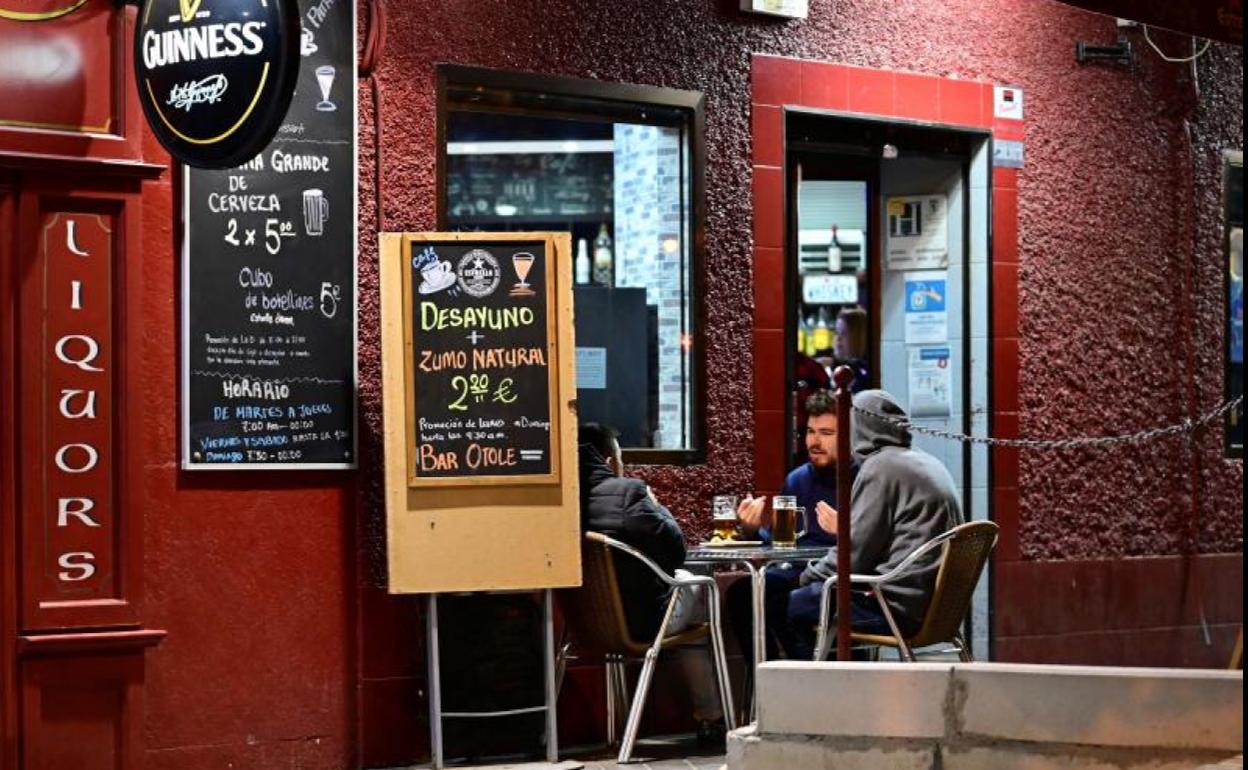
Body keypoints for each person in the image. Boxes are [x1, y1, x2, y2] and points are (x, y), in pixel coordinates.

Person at [785, 389, 964, 660]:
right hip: (937, 608)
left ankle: (807, 693)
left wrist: (804, 579)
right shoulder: (924, 461)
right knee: (812, 597)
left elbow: (853, 556)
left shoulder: (881, 468)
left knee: (794, 603)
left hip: (896, 608)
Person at [577, 423, 725, 745]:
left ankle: (709, 719)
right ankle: (712, 719)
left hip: (585, 626)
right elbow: (676, 551)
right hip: (642, 624)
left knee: (689, 618)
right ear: (607, 461)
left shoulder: (565, 504)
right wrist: (658, 507)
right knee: (699, 581)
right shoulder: (628, 493)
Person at [727, 389, 853, 660]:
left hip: (833, 576)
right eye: (810, 431)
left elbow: (870, 546)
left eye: (826, 433)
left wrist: (845, 532)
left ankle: (802, 679)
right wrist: (749, 530)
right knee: (741, 594)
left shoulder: (862, 480)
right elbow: (779, 542)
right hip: (793, 571)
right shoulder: (797, 479)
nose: (814, 441)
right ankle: (766, 679)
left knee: (784, 602)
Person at [833, 306, 870, 391]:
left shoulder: (863, 374)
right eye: (836, 332)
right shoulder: (835, 367)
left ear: (859, 337)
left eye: (844, 333)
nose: (838, 338)